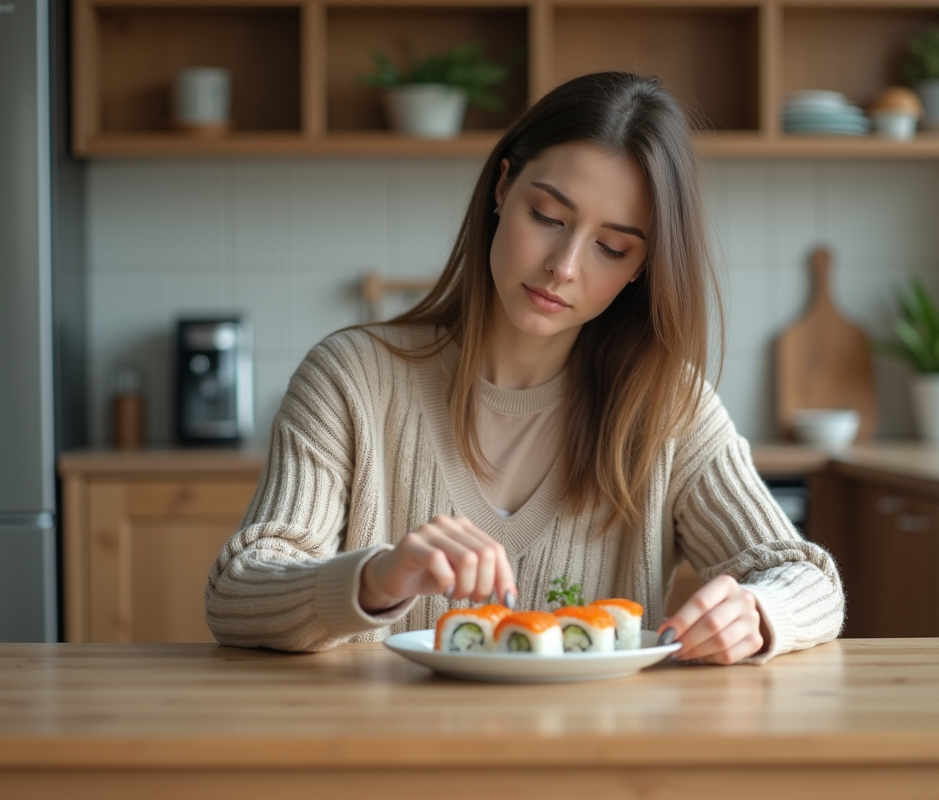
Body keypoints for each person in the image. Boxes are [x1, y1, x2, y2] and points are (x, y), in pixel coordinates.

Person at [205, 72, 844, 665]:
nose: (563, 266)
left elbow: (806, 578)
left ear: (641, 267)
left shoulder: (666, 407)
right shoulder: (350, 379)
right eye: (547, 217)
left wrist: (759, 613)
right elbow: (236, 590)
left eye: (611, 247)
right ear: (503, 186)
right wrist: (375, 579)